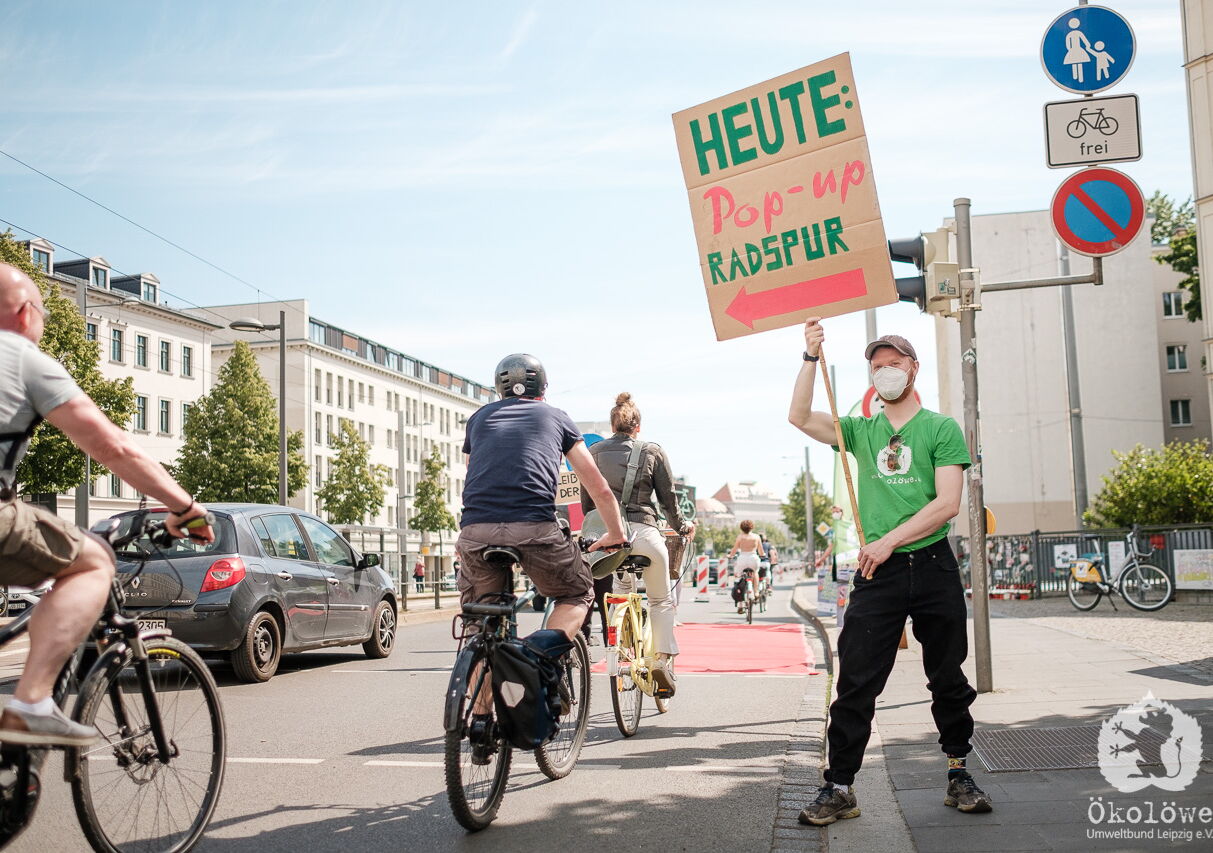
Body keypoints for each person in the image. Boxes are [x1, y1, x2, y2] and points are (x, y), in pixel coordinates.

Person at [0, 262, 214, 747]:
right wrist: (184, 507)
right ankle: (31, 701)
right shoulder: (18, 355)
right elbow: (113, 447)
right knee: (93, 561)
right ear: (24, 313)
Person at [788, 320, 992, 825]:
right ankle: (839, 786)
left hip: (931, 565)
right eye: (876, 367)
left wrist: (887, 540)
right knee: (856, 680)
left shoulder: (940, 429)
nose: (885, 373)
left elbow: (947, 504)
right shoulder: (859, 430)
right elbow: (797, 416)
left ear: (913, 369)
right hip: (878, 576)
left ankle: (958, 772)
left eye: (894, 365)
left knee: (946, 675)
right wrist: (810, 357)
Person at [458, 354, 627, 756]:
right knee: (577, 593)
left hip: (476, 530)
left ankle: (481, 722)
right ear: (543, 390)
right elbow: (599, 487)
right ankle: (538, 650)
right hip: (534, 526)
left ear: (498, 389)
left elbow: (473, 474)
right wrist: (616, 533)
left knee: (480, 623)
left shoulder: (479, 419)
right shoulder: (556, 417)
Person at [580, 393, 694, 697]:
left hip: (609, 538)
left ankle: (621, 645)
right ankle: (661, 661)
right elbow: (669, 501)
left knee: (619, 594)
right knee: (660, 600)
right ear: (637, 426)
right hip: (644, 534)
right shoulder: (652, 452)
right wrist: (683, 527)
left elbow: (587, 504)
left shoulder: (592, 452)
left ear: (612, 424)